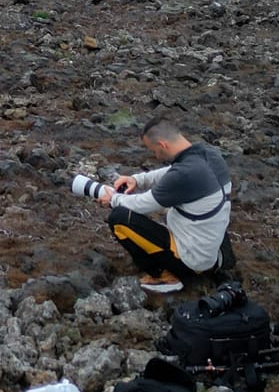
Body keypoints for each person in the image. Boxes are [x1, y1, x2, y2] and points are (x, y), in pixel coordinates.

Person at [89, 117, 235, 294]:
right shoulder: (209, 154)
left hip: (191, 261)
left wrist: (112, 199)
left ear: (163, 144)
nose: (156, 156)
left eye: (155, 151)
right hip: (211, 250)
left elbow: (142, 204)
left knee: (119, 218)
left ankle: (164, 277)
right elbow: (170, 172)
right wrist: (137, 179)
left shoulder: (185, 174)